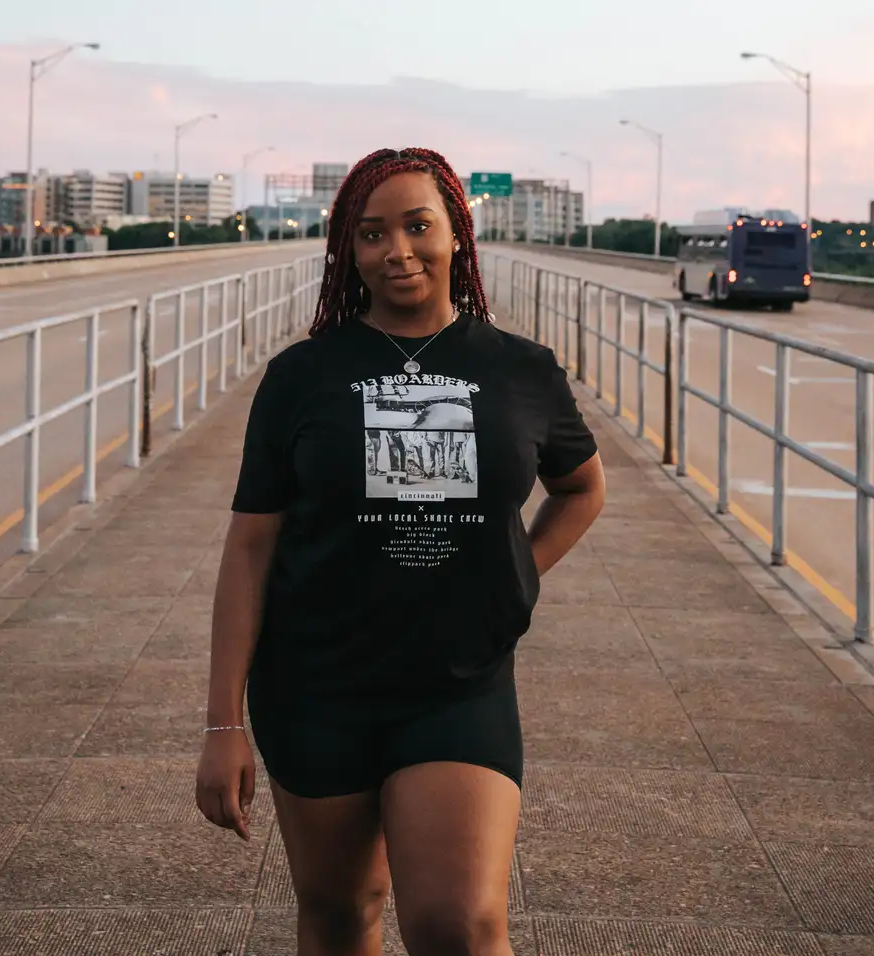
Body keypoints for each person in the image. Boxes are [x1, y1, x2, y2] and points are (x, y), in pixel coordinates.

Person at [196, 146, 605, 956]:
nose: (397, 251)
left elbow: (581, 489)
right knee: (342, 914)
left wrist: (517, 570)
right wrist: (221, 724)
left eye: (419, 226)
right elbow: (249, 548)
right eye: (371, 234)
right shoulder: (301, 376)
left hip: (457, 686)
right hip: (316, 684)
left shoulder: (520, 370)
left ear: (458, 234)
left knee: (463, 923)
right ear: (348, 252)